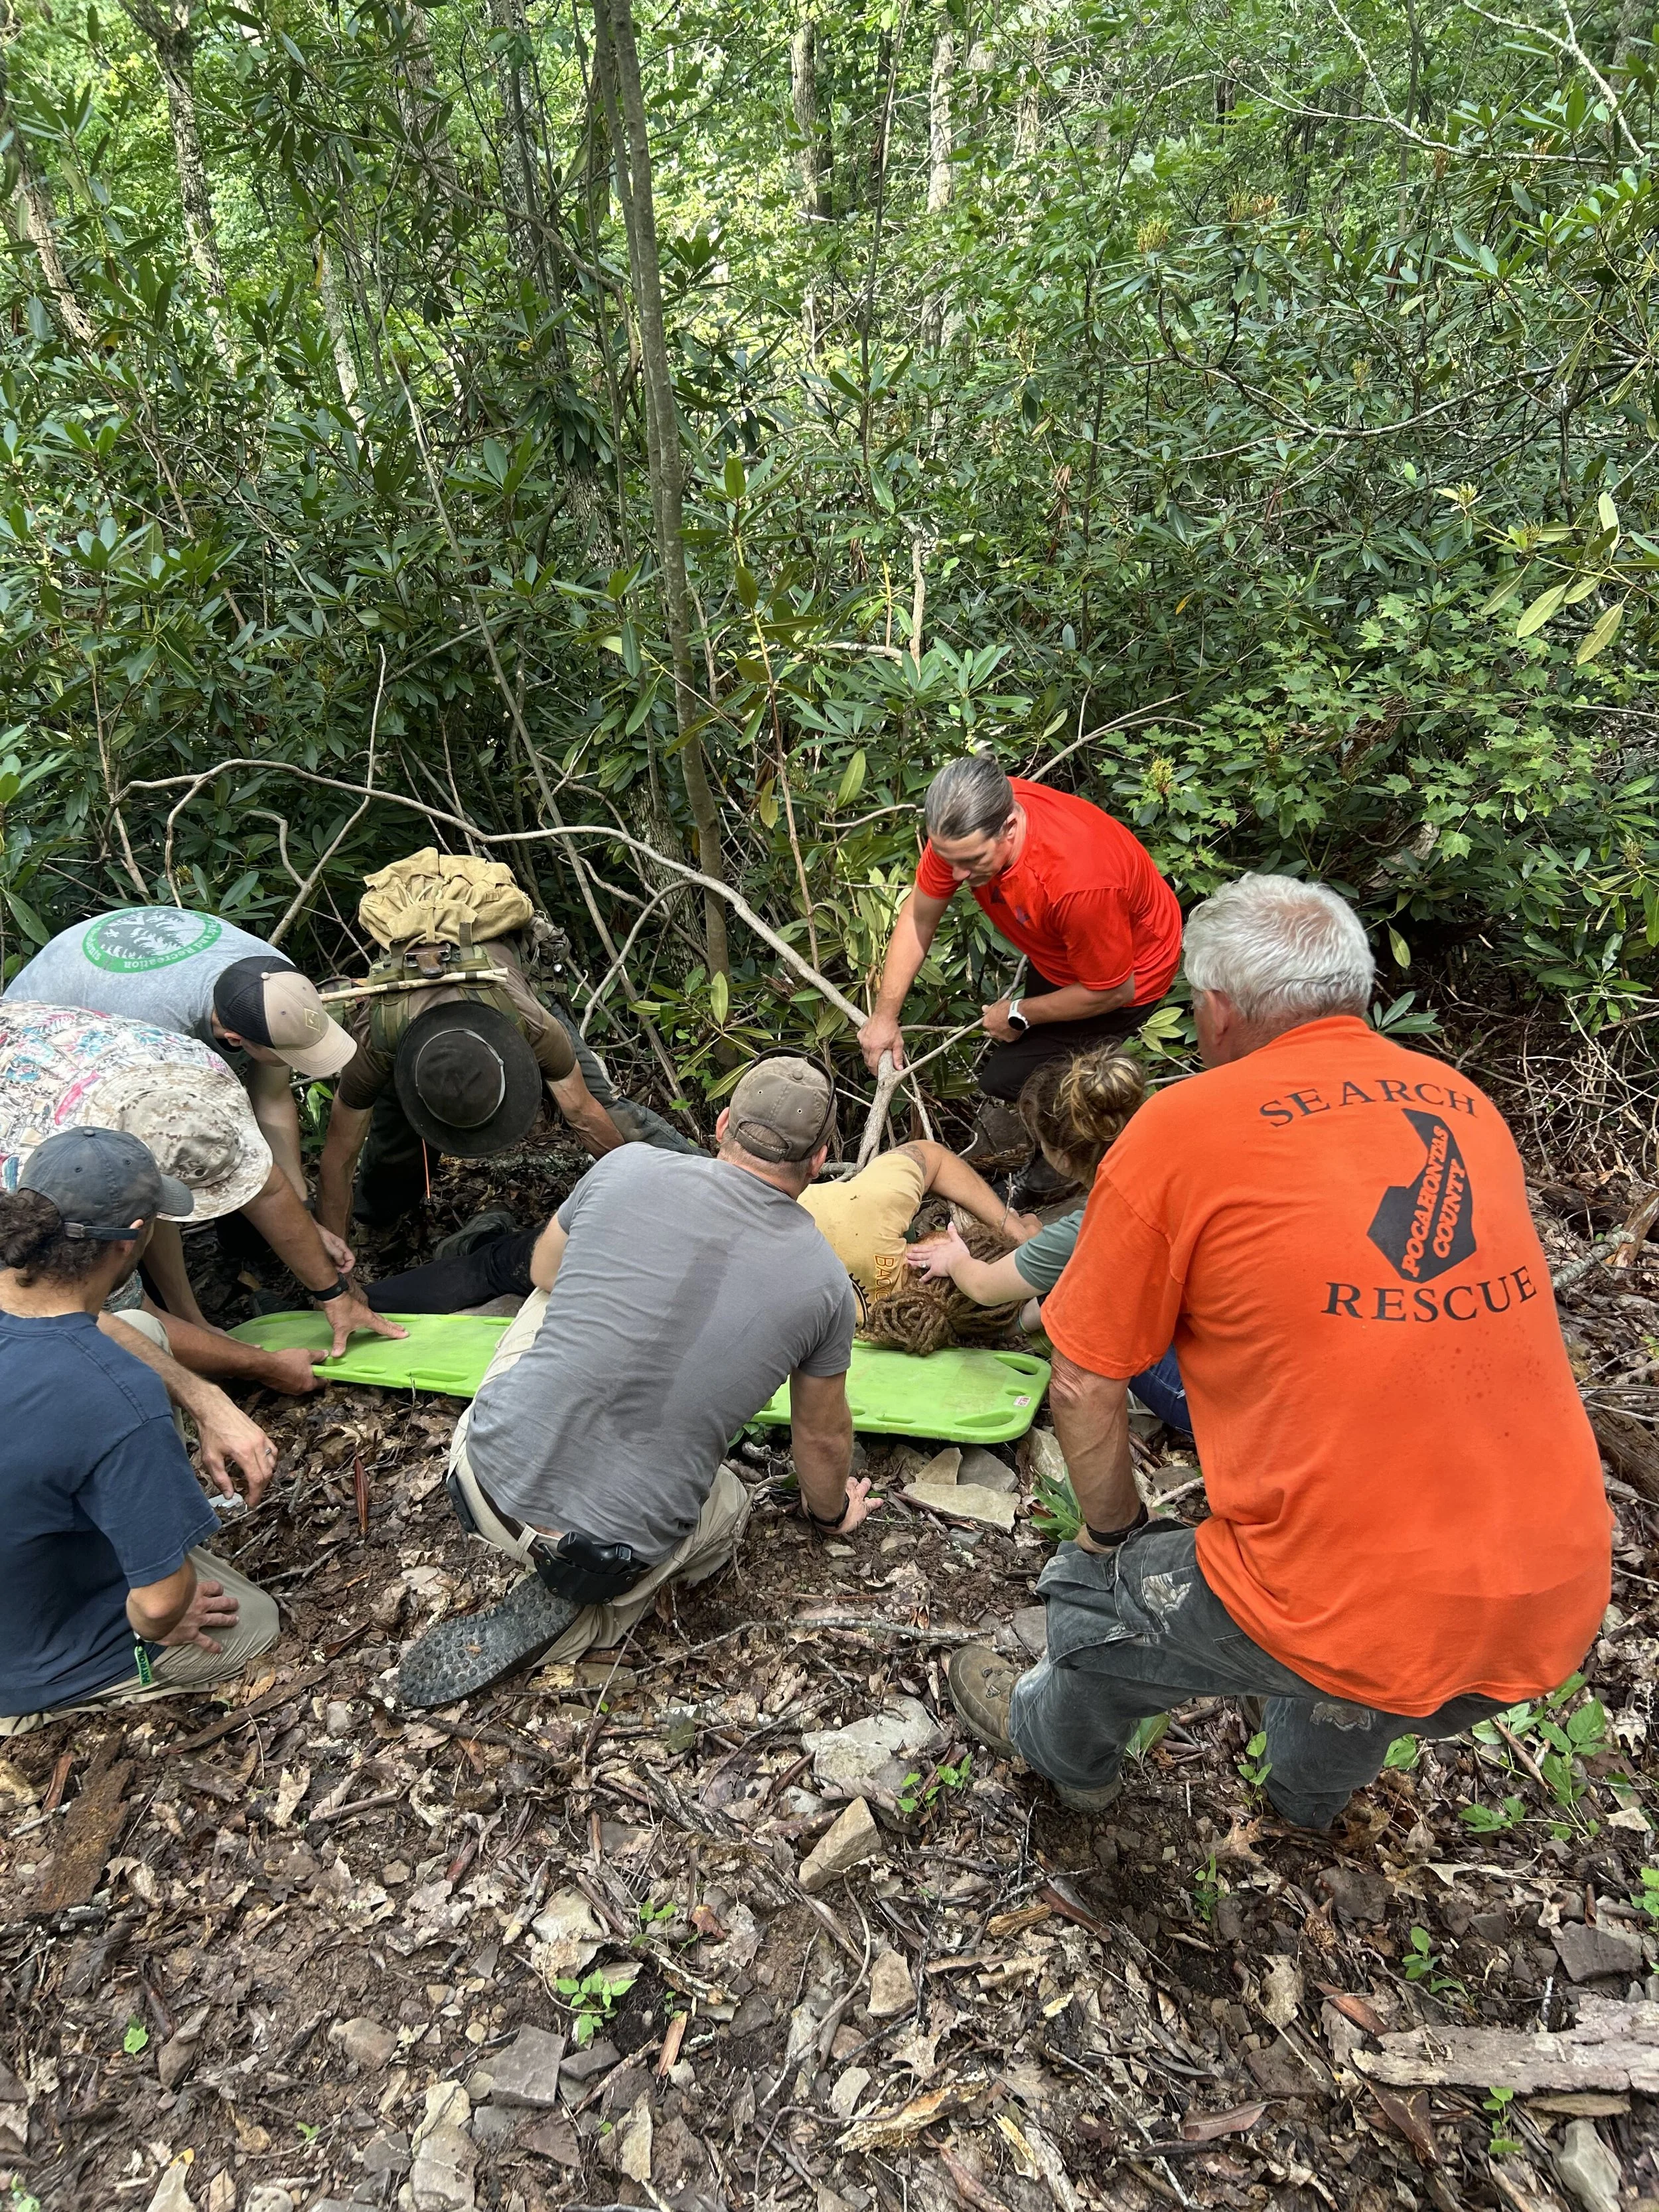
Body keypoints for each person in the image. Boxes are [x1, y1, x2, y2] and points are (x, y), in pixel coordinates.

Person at [943, 873, 1611, 1832]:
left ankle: (1060, 1753)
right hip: (1555, 1598)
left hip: (1351, 1599)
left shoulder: (1183, 1128)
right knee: (1360, 1665)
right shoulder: (1460, 1104)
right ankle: (1308, 1800)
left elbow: (1086, 1378)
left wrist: (1110, 1534)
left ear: (1216, 1011)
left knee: (1104, 1594)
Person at [397, 1057, 869, 1708]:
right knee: (727, 1503)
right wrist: (833, 1512)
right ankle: (586, 1617)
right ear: (818, 1161)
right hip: (611, 1555)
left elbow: (542, 1267)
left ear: (723, 1124)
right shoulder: (825, 1285)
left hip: (479, 1483)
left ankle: (539, 1477)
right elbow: (818, 1437)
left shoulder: (627, 1165)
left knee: (552, 1290)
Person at [0, 1128, 280, 1737]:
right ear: (132, 1240)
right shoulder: (117, 1398)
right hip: (28, 1660)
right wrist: (156, 1617)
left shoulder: (25, 1299)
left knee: (137, 1329)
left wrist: (205, 1396)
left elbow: (94, 1320)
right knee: (256, 1621)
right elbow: (156, 1608)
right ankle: (44, 1709)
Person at [0, 1002, 401, 1359]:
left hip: (60, 1049)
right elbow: (108, 1313)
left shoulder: (201, 1069)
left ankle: (192, 1317)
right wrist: (259, 1366)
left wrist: (333, 1293)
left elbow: (268, 1188)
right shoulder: (42, 1187)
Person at [857, 756, 1182, 1188]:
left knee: (1011, 1078)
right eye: (947, 859)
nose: (956, 876)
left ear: (1010, 825)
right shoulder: (963, 822)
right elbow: (919, 915)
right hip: (1065, 956)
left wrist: (1019, 1012)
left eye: (970, 862)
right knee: (1033, 1068)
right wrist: (884, 1017)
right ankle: (1066, 1139)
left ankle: (1083, 1162)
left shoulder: (1076, 880)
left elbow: (1111, 990)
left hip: (1132, 973)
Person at [363, 1127, 1042, 1317]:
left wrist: (1009, 1226)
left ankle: (361, 1303)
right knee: (516, 1260)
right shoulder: (888, 1309)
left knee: (502, 1267)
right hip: (665, 1264)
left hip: (649, 1238)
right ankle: (490, 1238)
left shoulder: (878, 1204)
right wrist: (1008, 1265)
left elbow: (928, 1156)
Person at [6, 904, 357, 1257]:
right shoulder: (151, 1038)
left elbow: (271, 1099)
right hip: (41, 1032)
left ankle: (250, 1250)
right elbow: (147, 1169)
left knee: (232, 1147)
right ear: (236, 1039)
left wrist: (302, 1211)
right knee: (123, 1190)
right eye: (290, 1055)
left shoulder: (275, 984)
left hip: (120, 975)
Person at [314, 932, 668, 1240]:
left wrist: (641, 1204)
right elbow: (338, 1160)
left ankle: (689, 1179)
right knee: (393, 1150)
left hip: (513, 987)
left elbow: (584, 1114)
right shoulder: (378, 1042)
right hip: (407, 1038)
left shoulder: (531, 1024)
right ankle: (376, 1223)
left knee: (605, 1108)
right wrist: (333, 1279)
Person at [908, 1049, 1190, 1433]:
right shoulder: (1180, 1161)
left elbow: (984, 1288)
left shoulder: (1093, 1224)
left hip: (1206, 1400)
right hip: (1270, 1361)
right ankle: (1025, 1323)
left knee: (1092, 1310)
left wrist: (956, 1258)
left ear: (1060, 1156)